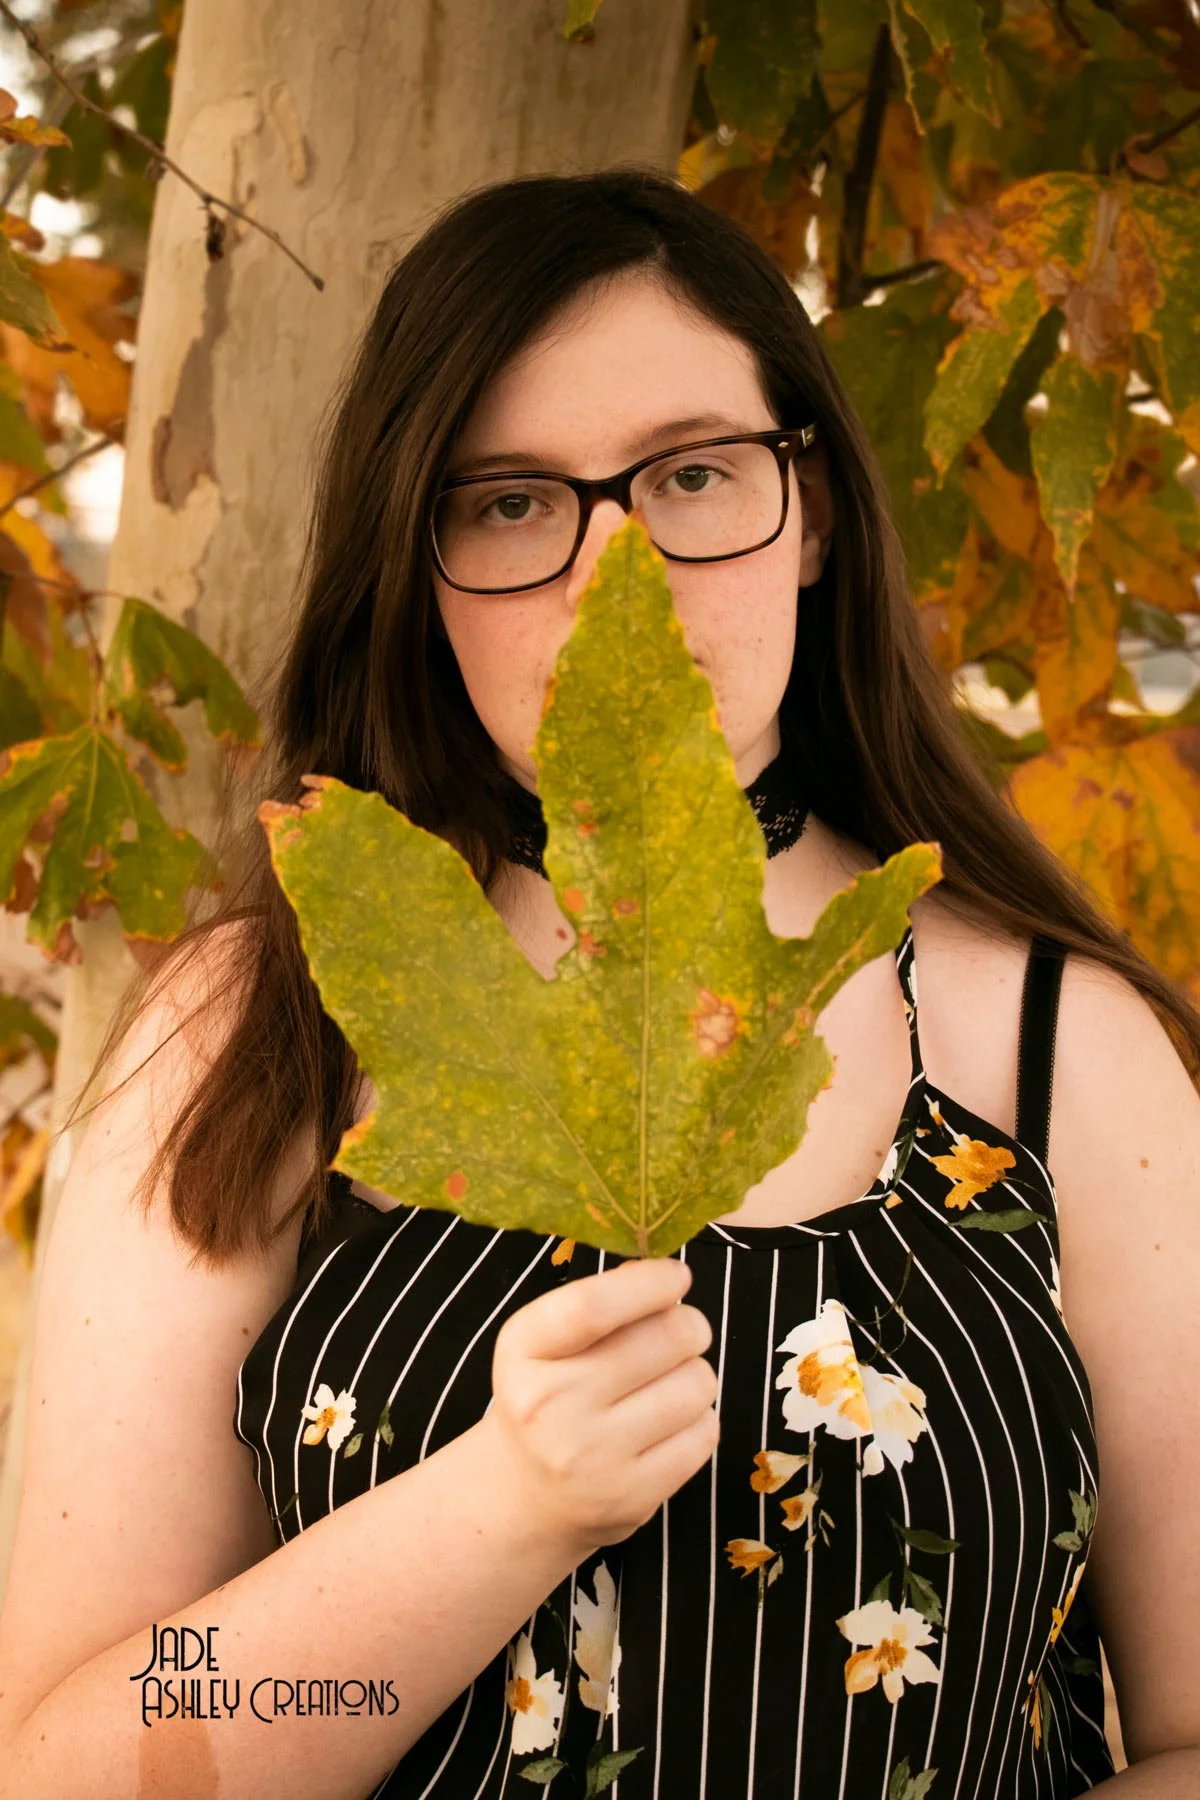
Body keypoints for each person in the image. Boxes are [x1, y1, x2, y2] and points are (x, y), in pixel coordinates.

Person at [1, 167, 1197, 1800]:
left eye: (694, 473)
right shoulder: (259, 1027)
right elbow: (64, 1764)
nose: (615, 573)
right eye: (510, 500)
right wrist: (494, 1509)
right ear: (413, 562)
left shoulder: (1066, 1047)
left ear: (818, 506)